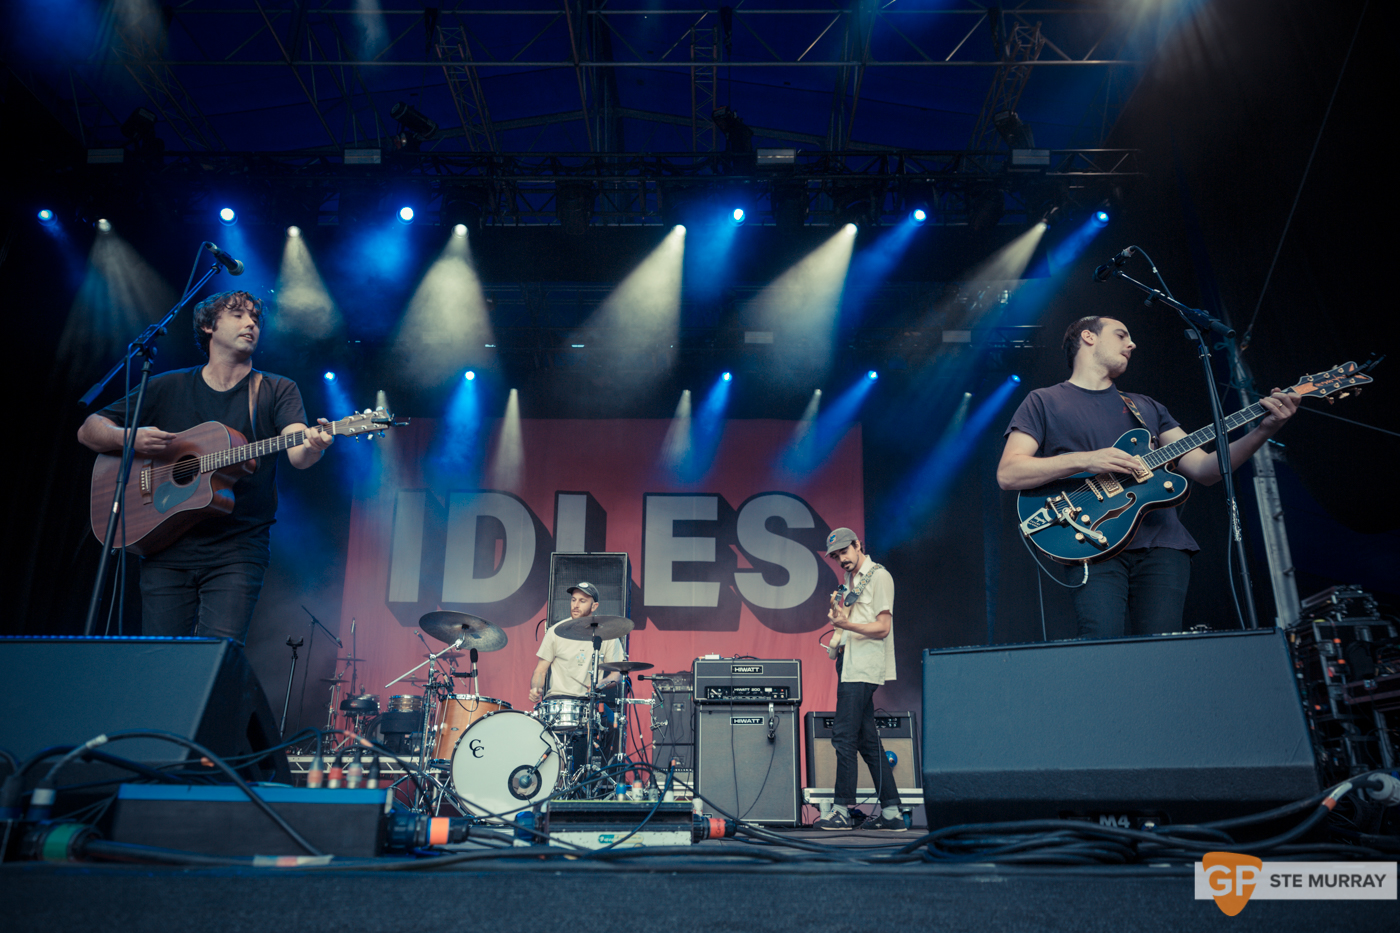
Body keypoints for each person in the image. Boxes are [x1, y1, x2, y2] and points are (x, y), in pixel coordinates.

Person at [996, 315, 1298, 638]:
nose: (1132, 344)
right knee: (1102, 647)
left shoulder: (1146, 407)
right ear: (1088, 337)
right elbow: (1009, 472)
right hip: (1090, 540)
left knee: (1162, 653)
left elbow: (1205, 469)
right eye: (1121, 334)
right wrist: (1088, 459)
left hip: (1162, 546)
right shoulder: (1044, 402)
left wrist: (1266, 429)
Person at [77, 290, 333, 644]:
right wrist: (130, 439)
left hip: (238, 547)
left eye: (256, 319)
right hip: (164, 542)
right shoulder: (169, 385)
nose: (251, 324)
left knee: (216, 656)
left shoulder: (276, 389)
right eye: (239, 315)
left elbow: (298, 451)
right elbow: (89, 429)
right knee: (162, 660)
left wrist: (315, 444)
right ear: (208, 326)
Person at [813, 527, 905, 832]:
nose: (841, 559)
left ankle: (841, 809)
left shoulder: (879, 577)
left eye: (844, 551)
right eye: (836, 556)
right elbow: (846, 622)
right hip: (850, 663)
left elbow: (882, 628)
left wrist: (848, 623)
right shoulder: (850, 581)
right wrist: (838, 615)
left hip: (864, 667)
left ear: (857, 545)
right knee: (867, 741)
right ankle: (892, 812)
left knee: (843, 735)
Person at [529, 582, 625, 770]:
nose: (575, 605)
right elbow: (540, 670)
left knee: (615, 723)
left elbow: (617, 674)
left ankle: (603, 780)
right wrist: (536, 687)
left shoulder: (607, 635)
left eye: (582, 601)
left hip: (587, 701)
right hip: (558, 700)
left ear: (594, 606)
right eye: (573, 600)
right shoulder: (555, 632)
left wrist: (601, 684)